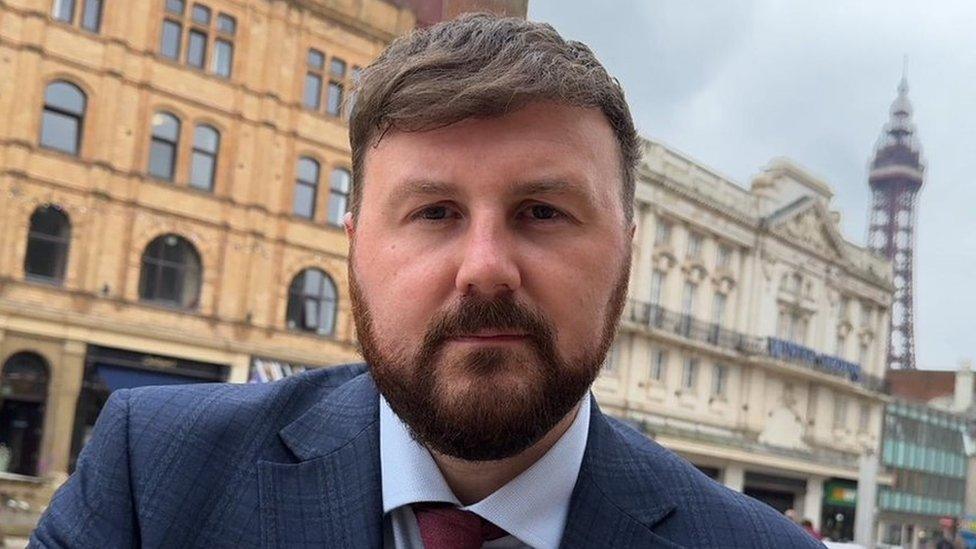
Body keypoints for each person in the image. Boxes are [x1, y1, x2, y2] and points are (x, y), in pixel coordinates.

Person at [32, 14, 821, 549]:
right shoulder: (153, 479)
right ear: (353, 247)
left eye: (542, 211)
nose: (484, 267)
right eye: (434, 210)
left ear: (626, 252)